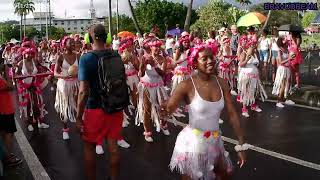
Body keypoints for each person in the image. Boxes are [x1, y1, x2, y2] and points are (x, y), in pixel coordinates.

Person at [162, 44, 247, 180]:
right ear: (195, 63)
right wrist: (164, 109)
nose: (210, 61)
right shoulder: (186, 85)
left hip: (215, 140)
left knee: (224, 175)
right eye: (204, 58)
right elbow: (169, 107)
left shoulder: (222, 83)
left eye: (211, 57)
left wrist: (241, 145)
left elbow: (232, 115)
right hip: (193, 143)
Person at [76, 24, 122, 180]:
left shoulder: (86, 58)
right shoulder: (116, 55)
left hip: (94, 109)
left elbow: (83, 91)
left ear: (89, 38)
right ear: (106, 37)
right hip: (115, 107)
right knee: (113, 148)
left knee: (89, 147)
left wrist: (78, 117)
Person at [135, 38, 171, 142]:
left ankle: (163, 125)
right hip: (146, 86)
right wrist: (142, 64)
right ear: (150, 47)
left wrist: (154, 65)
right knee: (147, 109)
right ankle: (148, 132)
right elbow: (140, 74)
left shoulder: (163, 59)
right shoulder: (144, 57)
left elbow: (163, 74)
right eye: (156, 46)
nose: (158, 48)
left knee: (163, 107)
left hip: (158, 86)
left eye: (159, 46)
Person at [15, 47, 50, 131]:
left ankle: (40, 122)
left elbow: (41, 70)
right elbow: (16, 76)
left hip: (34, 86)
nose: (30, 55)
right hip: (25, 88)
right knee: (27, 105)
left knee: (38, 104)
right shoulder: (20, 63)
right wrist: (23, 84)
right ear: (24, 54)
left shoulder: (34, 61)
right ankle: (29, 123)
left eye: (31, 53)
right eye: (28, 53)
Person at [54, 37, 80, 140]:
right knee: (64, 107)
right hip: (63, 84)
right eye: (71, 43)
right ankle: (65, 129)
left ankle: (80, 125)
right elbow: (55, 73)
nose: (73, 44)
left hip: (76, 84)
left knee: (78, 105)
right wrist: (63, 76)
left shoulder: (78, 55)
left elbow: (82, 69)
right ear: (65, 45)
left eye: (74, 42)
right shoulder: (60, 57)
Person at [238, 37, 267, 118]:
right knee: (246, 93)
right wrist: (247, 59)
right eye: (252, 45)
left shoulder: (256, 53)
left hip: (255, 77)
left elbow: (258, 64)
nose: (254, 46)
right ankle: (244, 109)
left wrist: (260, 72)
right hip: (247, 77)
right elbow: (241, 64)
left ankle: (253, 105)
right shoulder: (244, 53)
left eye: (254, 44)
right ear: (249, 45)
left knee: (255, 92)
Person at [0, 64, 23, 167]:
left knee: (4, 132)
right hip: (5, 109)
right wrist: (7, 74)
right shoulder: (1, 78)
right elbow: (11, 86)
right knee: (9, 133)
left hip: (3, 109)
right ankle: (8, 158)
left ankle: (5, 153)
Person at [272, 37, 294, 108]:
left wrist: (292, 57)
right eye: (285, 40)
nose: (287, 41)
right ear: (282, 42)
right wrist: (289, 58)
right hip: (282, 69)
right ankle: (278, 101)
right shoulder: (280, 51)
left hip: (287, 68)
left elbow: (289, 58)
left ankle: (286, 99)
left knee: (288, 84)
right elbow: (280, 62)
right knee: (283, 85)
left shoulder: (287, 50)